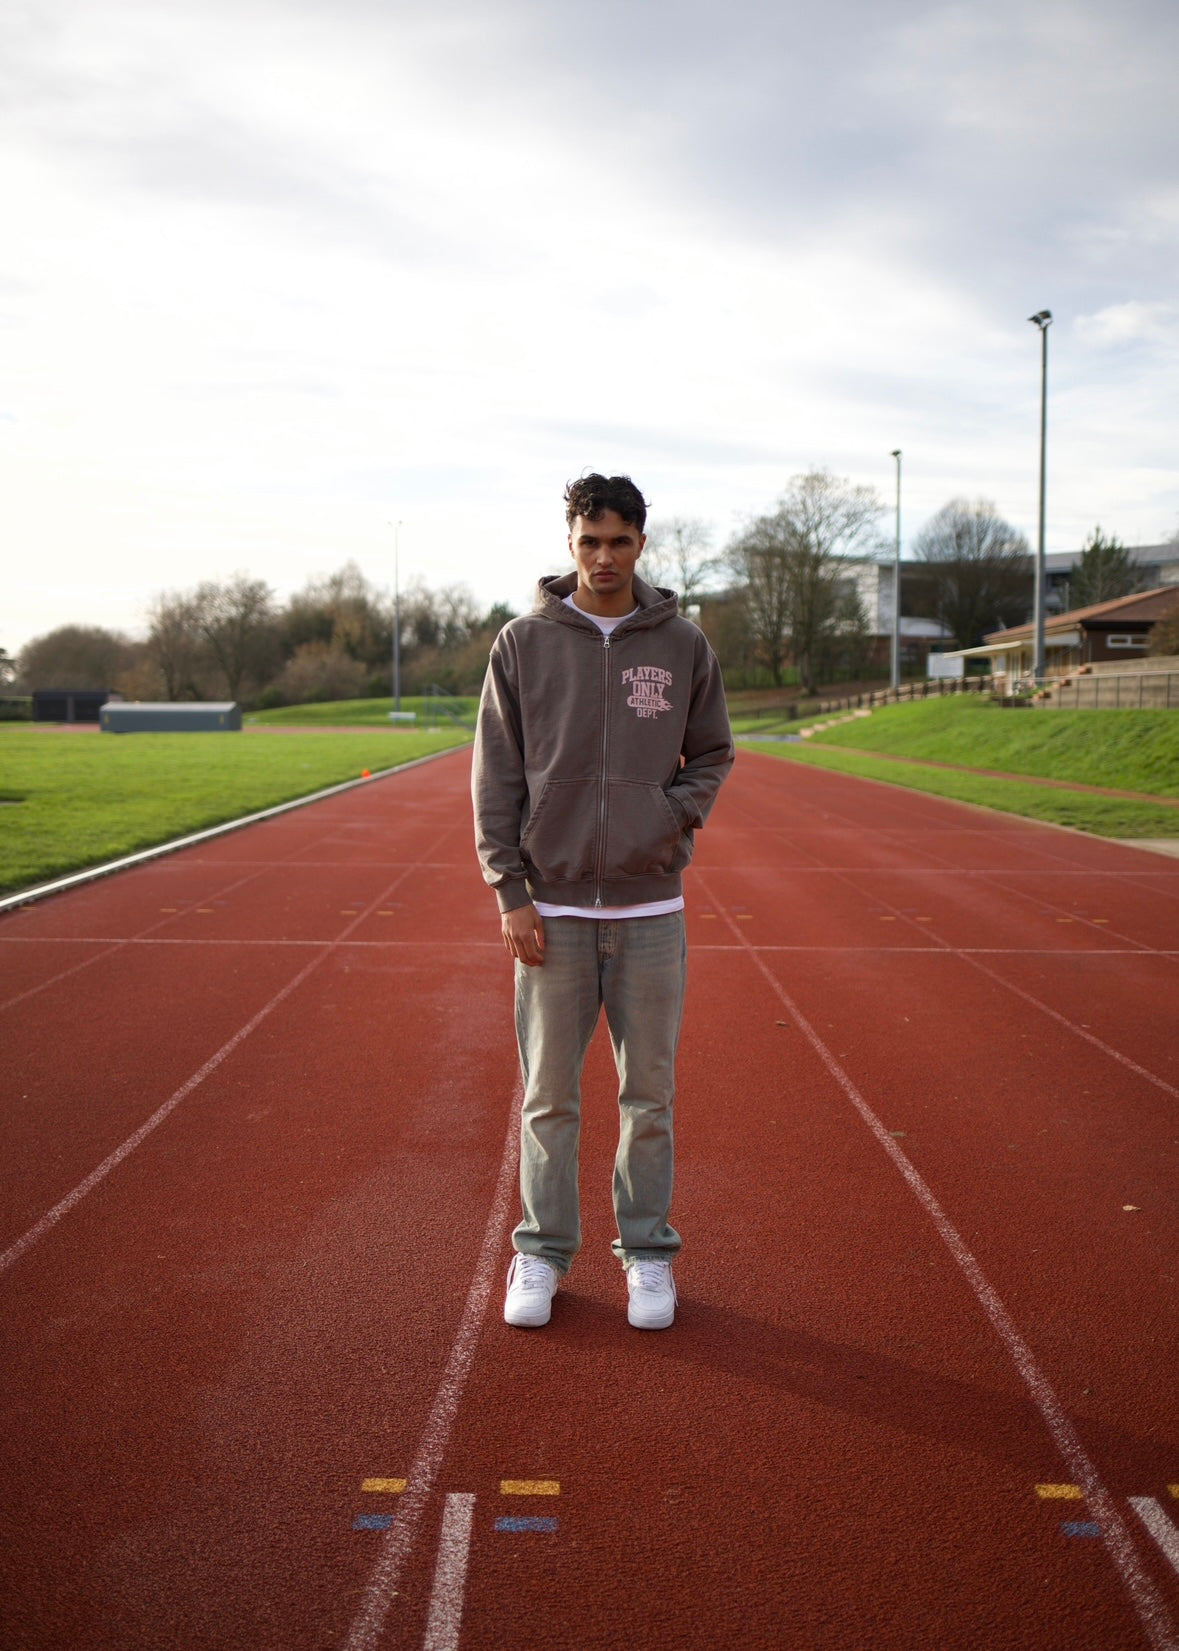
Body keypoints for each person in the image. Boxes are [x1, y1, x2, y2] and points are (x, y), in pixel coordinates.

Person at [471, 472, 734, 1330]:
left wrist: (667, 816)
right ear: (569, 542)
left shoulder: (682, 643)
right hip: (550, 910)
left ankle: (648, 1254)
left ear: (642, 544)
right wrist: (511, 890)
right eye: (589, 541)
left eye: (619, 541)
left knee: (647, 1096)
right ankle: (542, 1252)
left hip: (649, 911)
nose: (604, 557)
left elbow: (712, 753)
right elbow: (496, 776)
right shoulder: (522, 642)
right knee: (548, 1096)